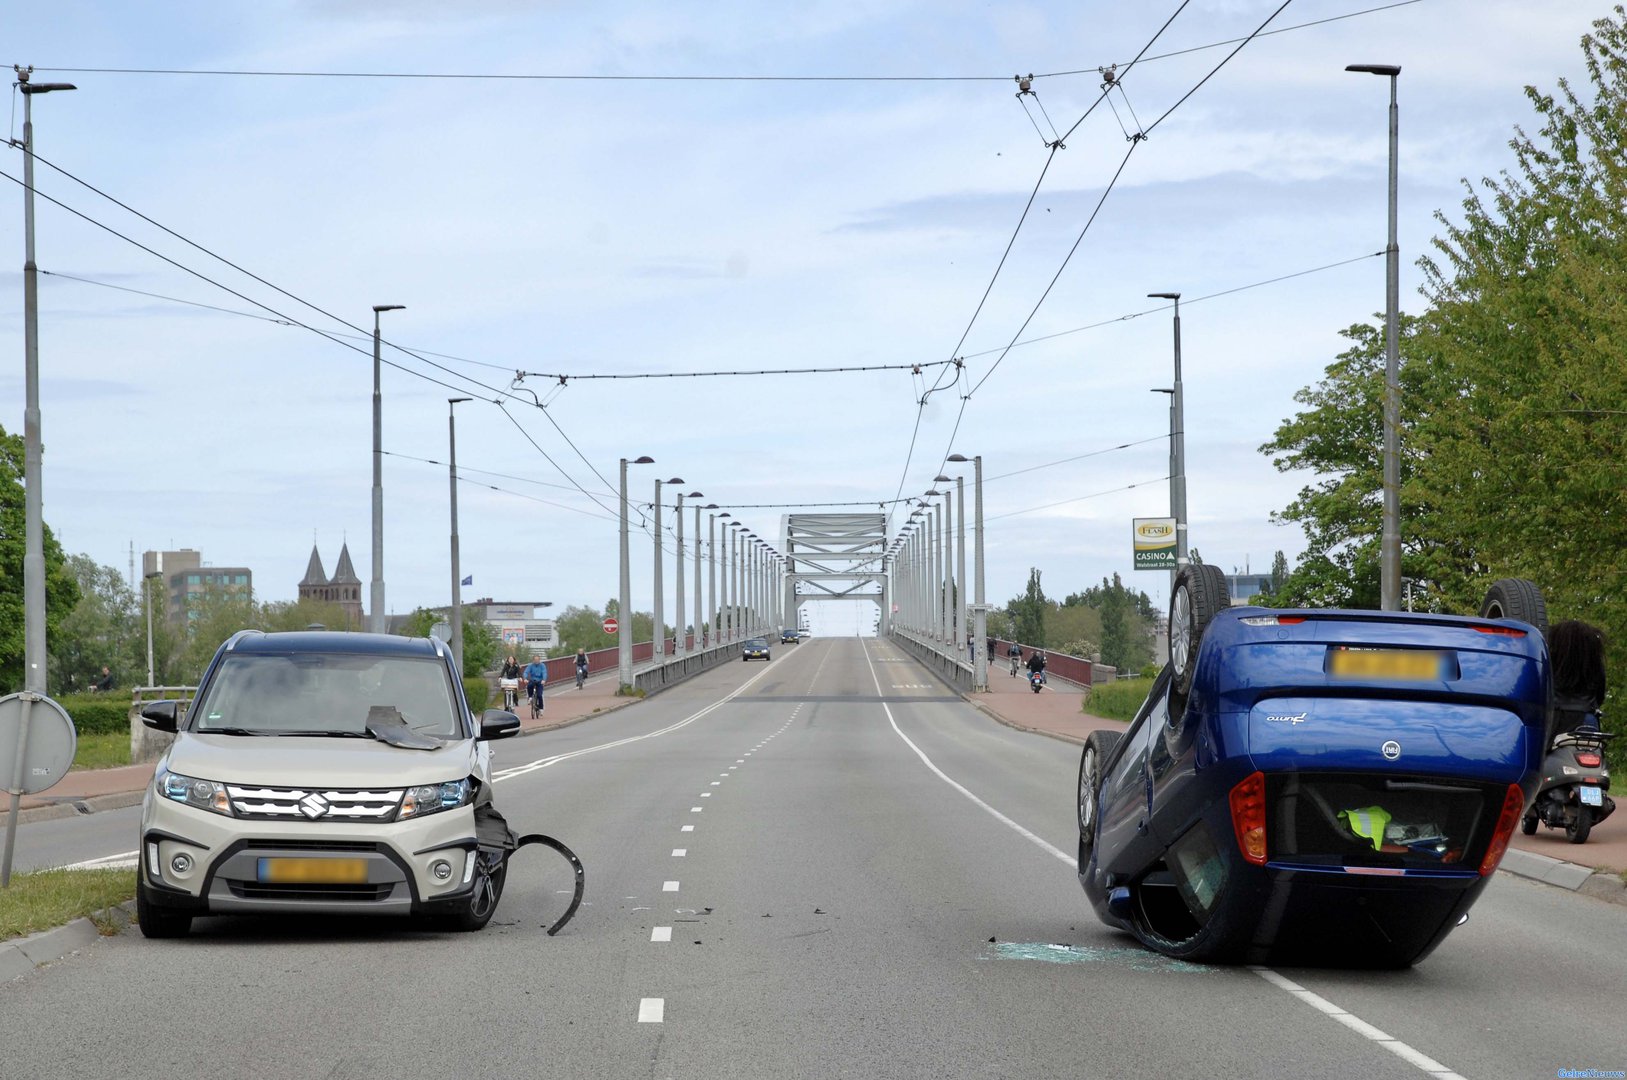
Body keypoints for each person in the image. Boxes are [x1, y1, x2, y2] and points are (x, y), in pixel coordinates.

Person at [1549, 620, 1606, 739]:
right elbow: (1600, 695)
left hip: (1553, 719)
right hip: (1586, 718)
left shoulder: (1550, 661)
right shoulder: (1594, 664)